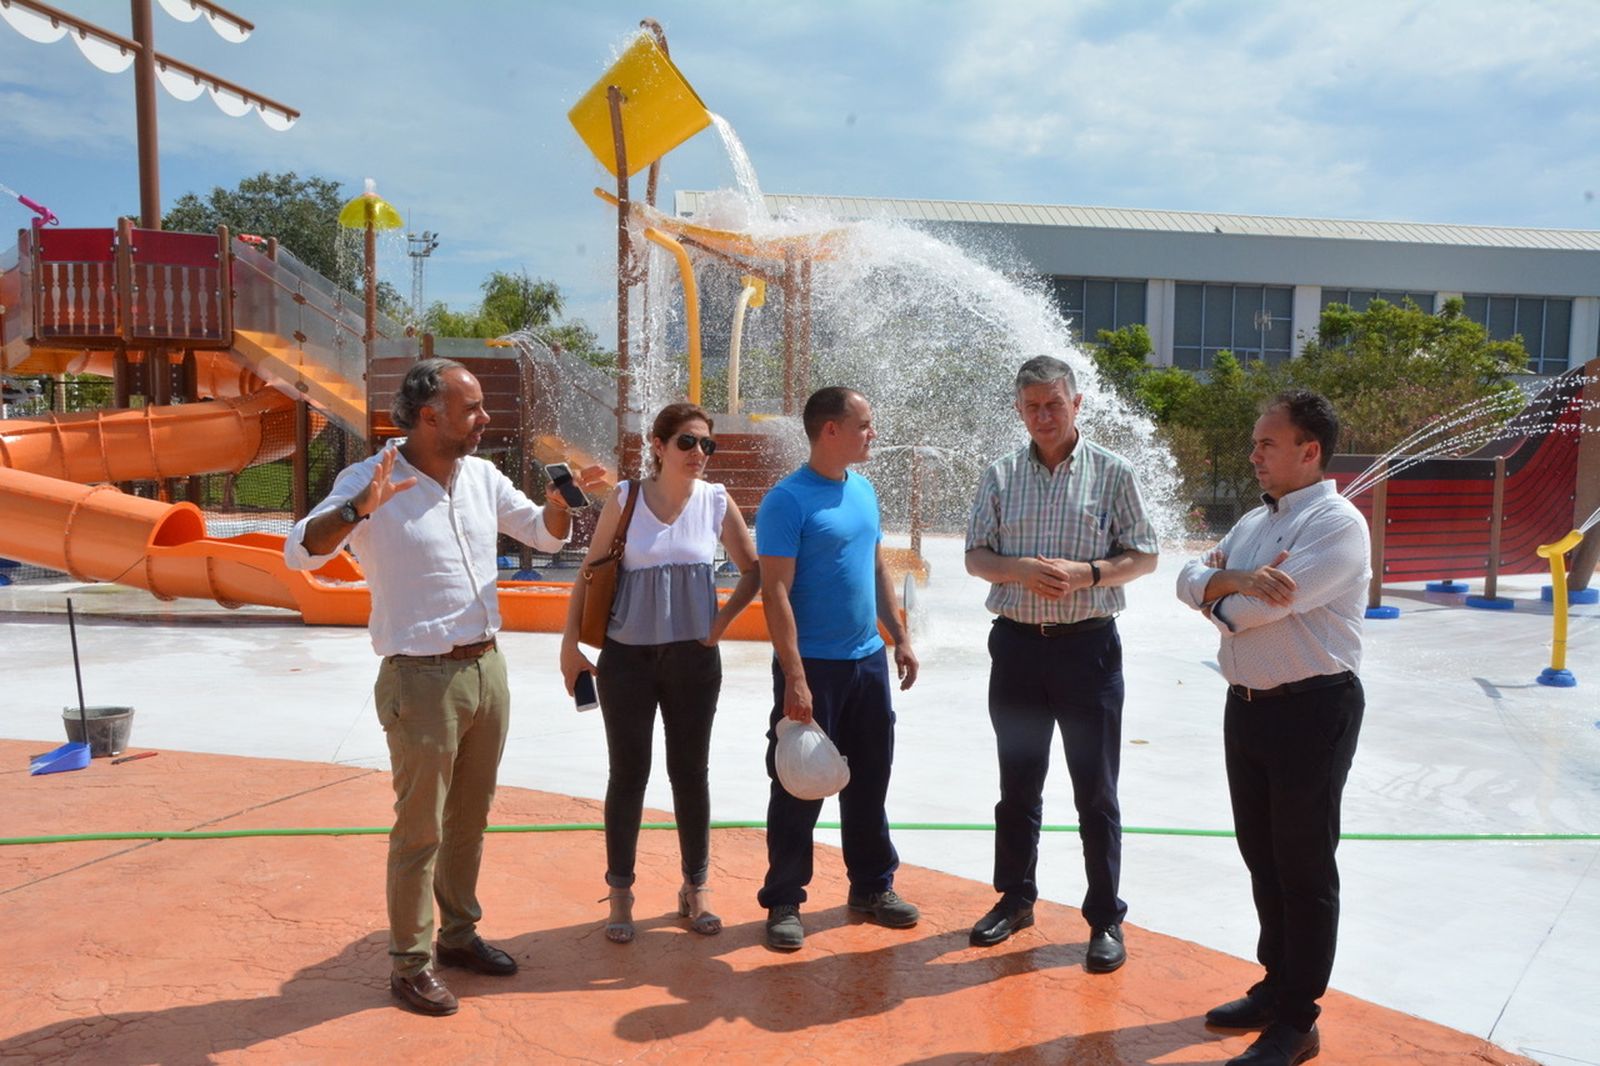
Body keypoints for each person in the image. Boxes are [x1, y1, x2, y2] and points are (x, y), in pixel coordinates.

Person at [285, 358, 604, 1017]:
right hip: (420, 679)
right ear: (430, 416)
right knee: (420, 829)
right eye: (472, 409)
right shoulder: (369, 480)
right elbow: (301, 552)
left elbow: (544, 538)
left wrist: (556, 504)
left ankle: (458, 936)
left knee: (469, 820)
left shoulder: (482, 477)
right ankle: (410, 964)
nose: (484, 419)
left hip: (488, 671)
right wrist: (356, 509)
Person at [1176, 390, 1369, 1066]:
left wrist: (1220, 594)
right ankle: (1274, 984)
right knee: (1262, 856)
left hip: (1312, 710)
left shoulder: (1336, 526)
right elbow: (1187, 576)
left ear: (1308, 451)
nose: (1254, 454)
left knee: (1304, 867)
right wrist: (1230, 582)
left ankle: (1297, 1018)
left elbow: (1245, 616)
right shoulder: (1257, 524)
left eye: (1267, 443)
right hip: (1248, 707)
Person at [963, 355, 1159, 972]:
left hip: (1087, 650)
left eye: (1054, 404)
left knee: (1095, 792)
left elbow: (1145, 555)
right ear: (1019, 411)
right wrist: (1016, 569)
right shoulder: (998, 476)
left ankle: (1104, 918)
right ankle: (1015, 899)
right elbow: (975, 556)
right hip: (1017, 648)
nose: (1043, 416)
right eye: (1032, 407)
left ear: (1078, 404)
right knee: (1017, 785)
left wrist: (1090, 575)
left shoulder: (1112, 474)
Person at [559, 402, 760, 944]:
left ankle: (697, 888)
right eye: (688, 443)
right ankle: (620, 892)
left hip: (694, 659)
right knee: (628, 775)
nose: (699, 455)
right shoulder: (626, 499)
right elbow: (590, 572)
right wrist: (568, 646)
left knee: (690, 773)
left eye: (706, 446)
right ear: (658, 445)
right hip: (628, 659)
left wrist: (718, 624)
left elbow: (753, 571)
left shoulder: (716, 502)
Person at [755, 386, 920, 951]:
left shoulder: (864, 490)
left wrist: (899, 637)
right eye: (864, 424)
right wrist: (795, 677)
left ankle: (872, 886)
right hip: (813, 669)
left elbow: (875, 566)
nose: (873, 432)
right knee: (798, 786)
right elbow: (774, 593)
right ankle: (783, 898)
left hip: (865, 663)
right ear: (831, 430)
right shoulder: (787, 501)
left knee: (871, 780)